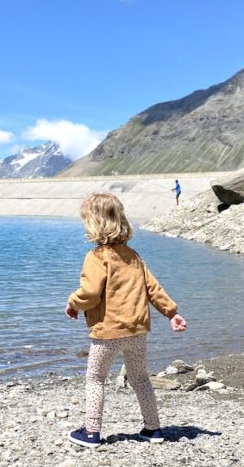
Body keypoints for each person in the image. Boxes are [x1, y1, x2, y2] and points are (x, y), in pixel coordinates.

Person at [64, 192, 187, 449]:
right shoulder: (133, 256)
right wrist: (171, 313)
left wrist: (73, 302)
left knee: (96, 378)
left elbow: (89, 293)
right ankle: (153, 429)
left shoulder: (97, 257)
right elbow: (153, 288)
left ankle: (91, 432)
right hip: (136, 331)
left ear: (93, 223)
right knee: (140, 377)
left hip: (107, 333)